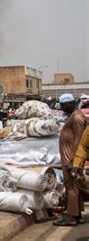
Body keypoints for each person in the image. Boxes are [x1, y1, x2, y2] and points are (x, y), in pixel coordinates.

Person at [54, 93, 87, 226]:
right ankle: (76, 214)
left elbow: (79, 141)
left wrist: (72, 160)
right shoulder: (73, 116)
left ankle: (71, 217)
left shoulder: (77, 118)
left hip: (71, 158)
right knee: (75, 186)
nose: (61, 108)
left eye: (62, 106)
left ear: (69, 104)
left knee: (72, 186)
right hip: (69, 157)